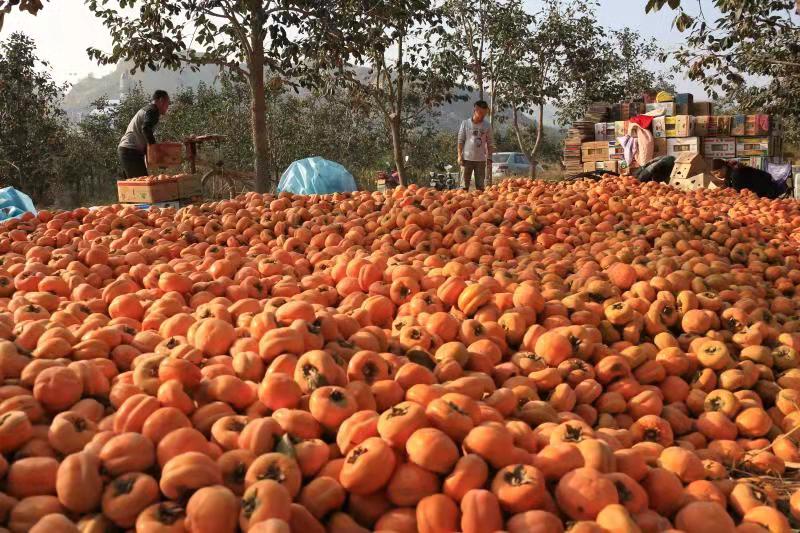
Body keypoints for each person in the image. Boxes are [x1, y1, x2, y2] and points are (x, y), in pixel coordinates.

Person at [117, 90, 170, 179]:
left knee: (136, 184)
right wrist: (155, 150)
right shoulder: (153, 111)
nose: (167, 107)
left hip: (128, 151)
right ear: (161, 100)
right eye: (167, 103)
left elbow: (145, 135)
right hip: (130, 152)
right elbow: (146, 129)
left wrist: (152, 158)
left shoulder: (148, 109)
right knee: (142, 185)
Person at [457, 100, 493, 191]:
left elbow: (490, 143)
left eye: (484, 114)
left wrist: (489, 158)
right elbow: (460, 141)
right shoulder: (465, 123)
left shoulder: (487, 126)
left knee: (480, 188)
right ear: (475, 110)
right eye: (480, 113)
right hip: (466, 159)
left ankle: (479, 204)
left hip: (481, 160)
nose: (482, 116)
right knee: (463, 187)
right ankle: (461, 203)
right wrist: (459, 156)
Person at [710, 159, 783, 198]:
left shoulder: (736, 174)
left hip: (767, 193)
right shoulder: (730, 172)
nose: (717, 176)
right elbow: (727, 187)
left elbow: (738, 194)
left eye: (717, 173)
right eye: (714, 175)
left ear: (723, 168)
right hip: (759, 193)